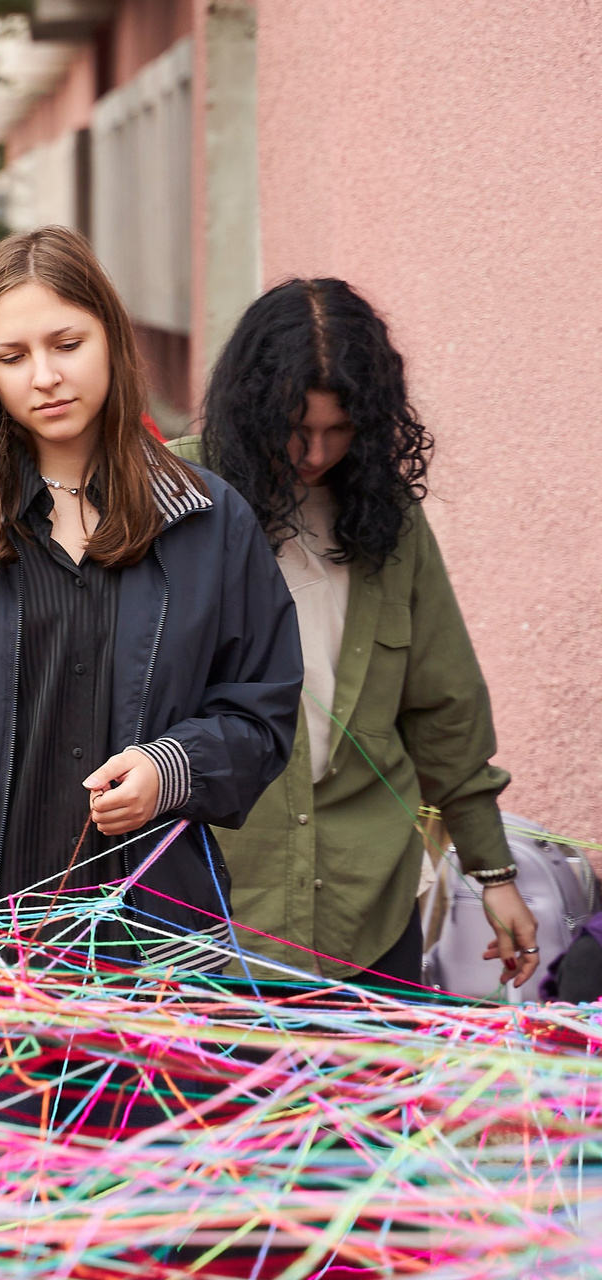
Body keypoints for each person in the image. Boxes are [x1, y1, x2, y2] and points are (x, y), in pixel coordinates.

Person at [0, 228, 299, 1070]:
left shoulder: (210, 522)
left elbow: (260, 713)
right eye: (12, 356)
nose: (43, 376)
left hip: (157, 972)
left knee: (144, 1200)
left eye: (66, 344)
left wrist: (173, 768)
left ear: (113, 340)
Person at [190, 278, 537, 991]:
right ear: (251, 406)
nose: (316, 453)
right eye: (296, 426)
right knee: (225, 1110)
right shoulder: (174, 494)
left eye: (340, 430)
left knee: (370, 1108)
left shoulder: (392, 522)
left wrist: (493, 873)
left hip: (366, 910)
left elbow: (443, 706)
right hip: (208, 914)